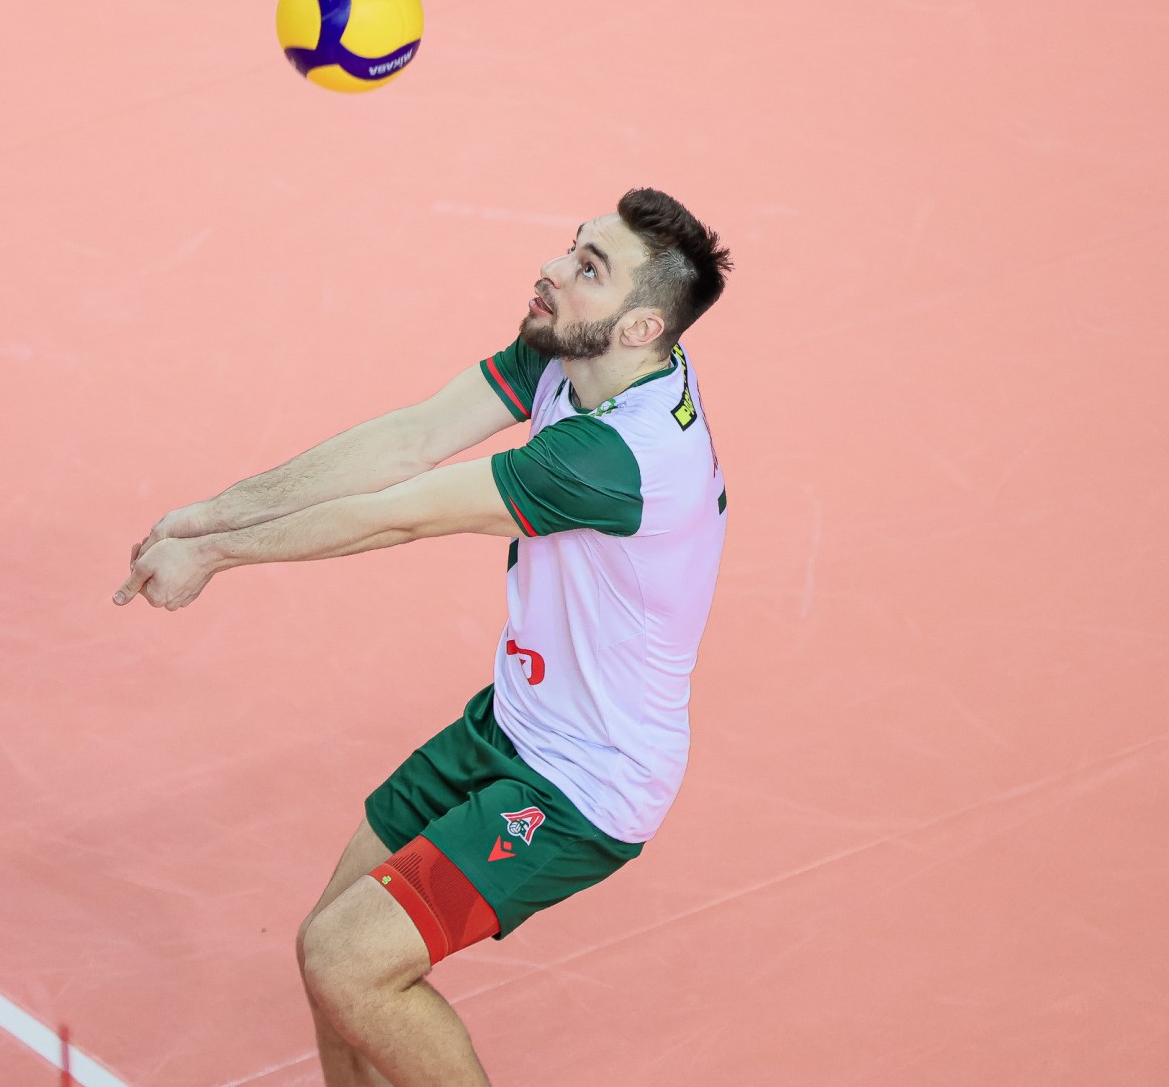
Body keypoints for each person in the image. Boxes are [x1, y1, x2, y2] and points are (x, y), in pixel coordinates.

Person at [112, 188, 731, 1086]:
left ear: (641, 326)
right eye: (572, 248)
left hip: (586, 781)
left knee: (348, 962)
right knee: (331, 958)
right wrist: (208, 514)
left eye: (589, 270)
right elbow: (408, 440)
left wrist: (214, 554)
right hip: (511, 723)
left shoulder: (613, 460)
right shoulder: (584, 357)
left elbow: (397, 513)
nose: (554, 270)